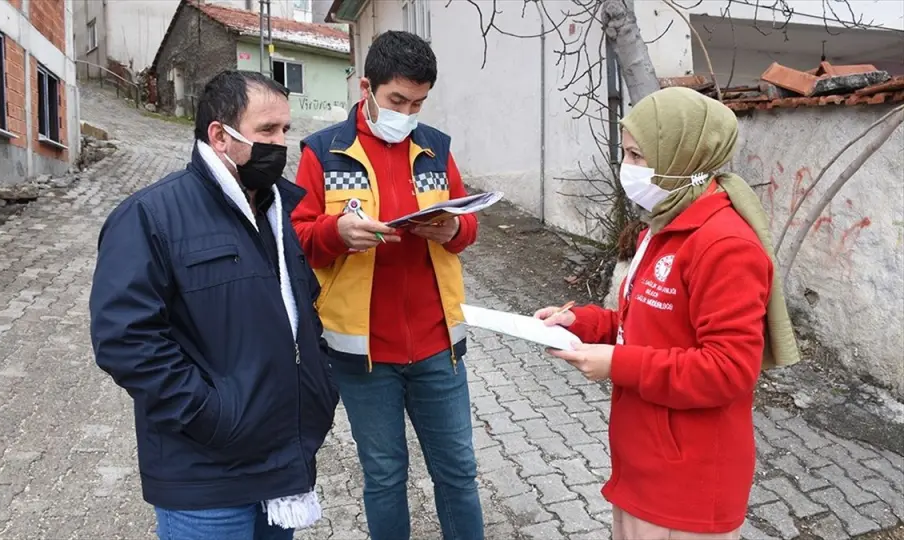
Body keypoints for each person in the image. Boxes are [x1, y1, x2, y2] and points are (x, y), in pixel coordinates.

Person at [535, 86, 800, 540]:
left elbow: (729, 369)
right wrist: (581, 323)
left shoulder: (724, 246)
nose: (627, 167)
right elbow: (643, 326)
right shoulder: (664, 225)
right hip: (644, 464)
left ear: (682, 156)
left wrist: (616, 364)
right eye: (626, 153)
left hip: (687, 484)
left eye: (638, 156)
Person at [88, 70, 339, 540]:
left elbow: (302, 307)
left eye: (285, 130)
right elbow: (126, 341)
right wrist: (213, 416)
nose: (281, 144)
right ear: (220, 136)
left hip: (282, 467)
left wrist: (320, 382)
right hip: (205, 478)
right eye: (267, 130)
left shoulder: (276, 211)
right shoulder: (150, 215)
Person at [291, 30, 483, 540]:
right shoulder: (324, 152)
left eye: (418, 103)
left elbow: (467, 223)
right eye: (397, 100)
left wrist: (454, 229)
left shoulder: (435, 148)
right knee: (384, 477)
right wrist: (337, 233)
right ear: (366, 88)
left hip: (438, 346)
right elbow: (299, 238)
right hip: (365, 354)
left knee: (458, 473)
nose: (407, 113)